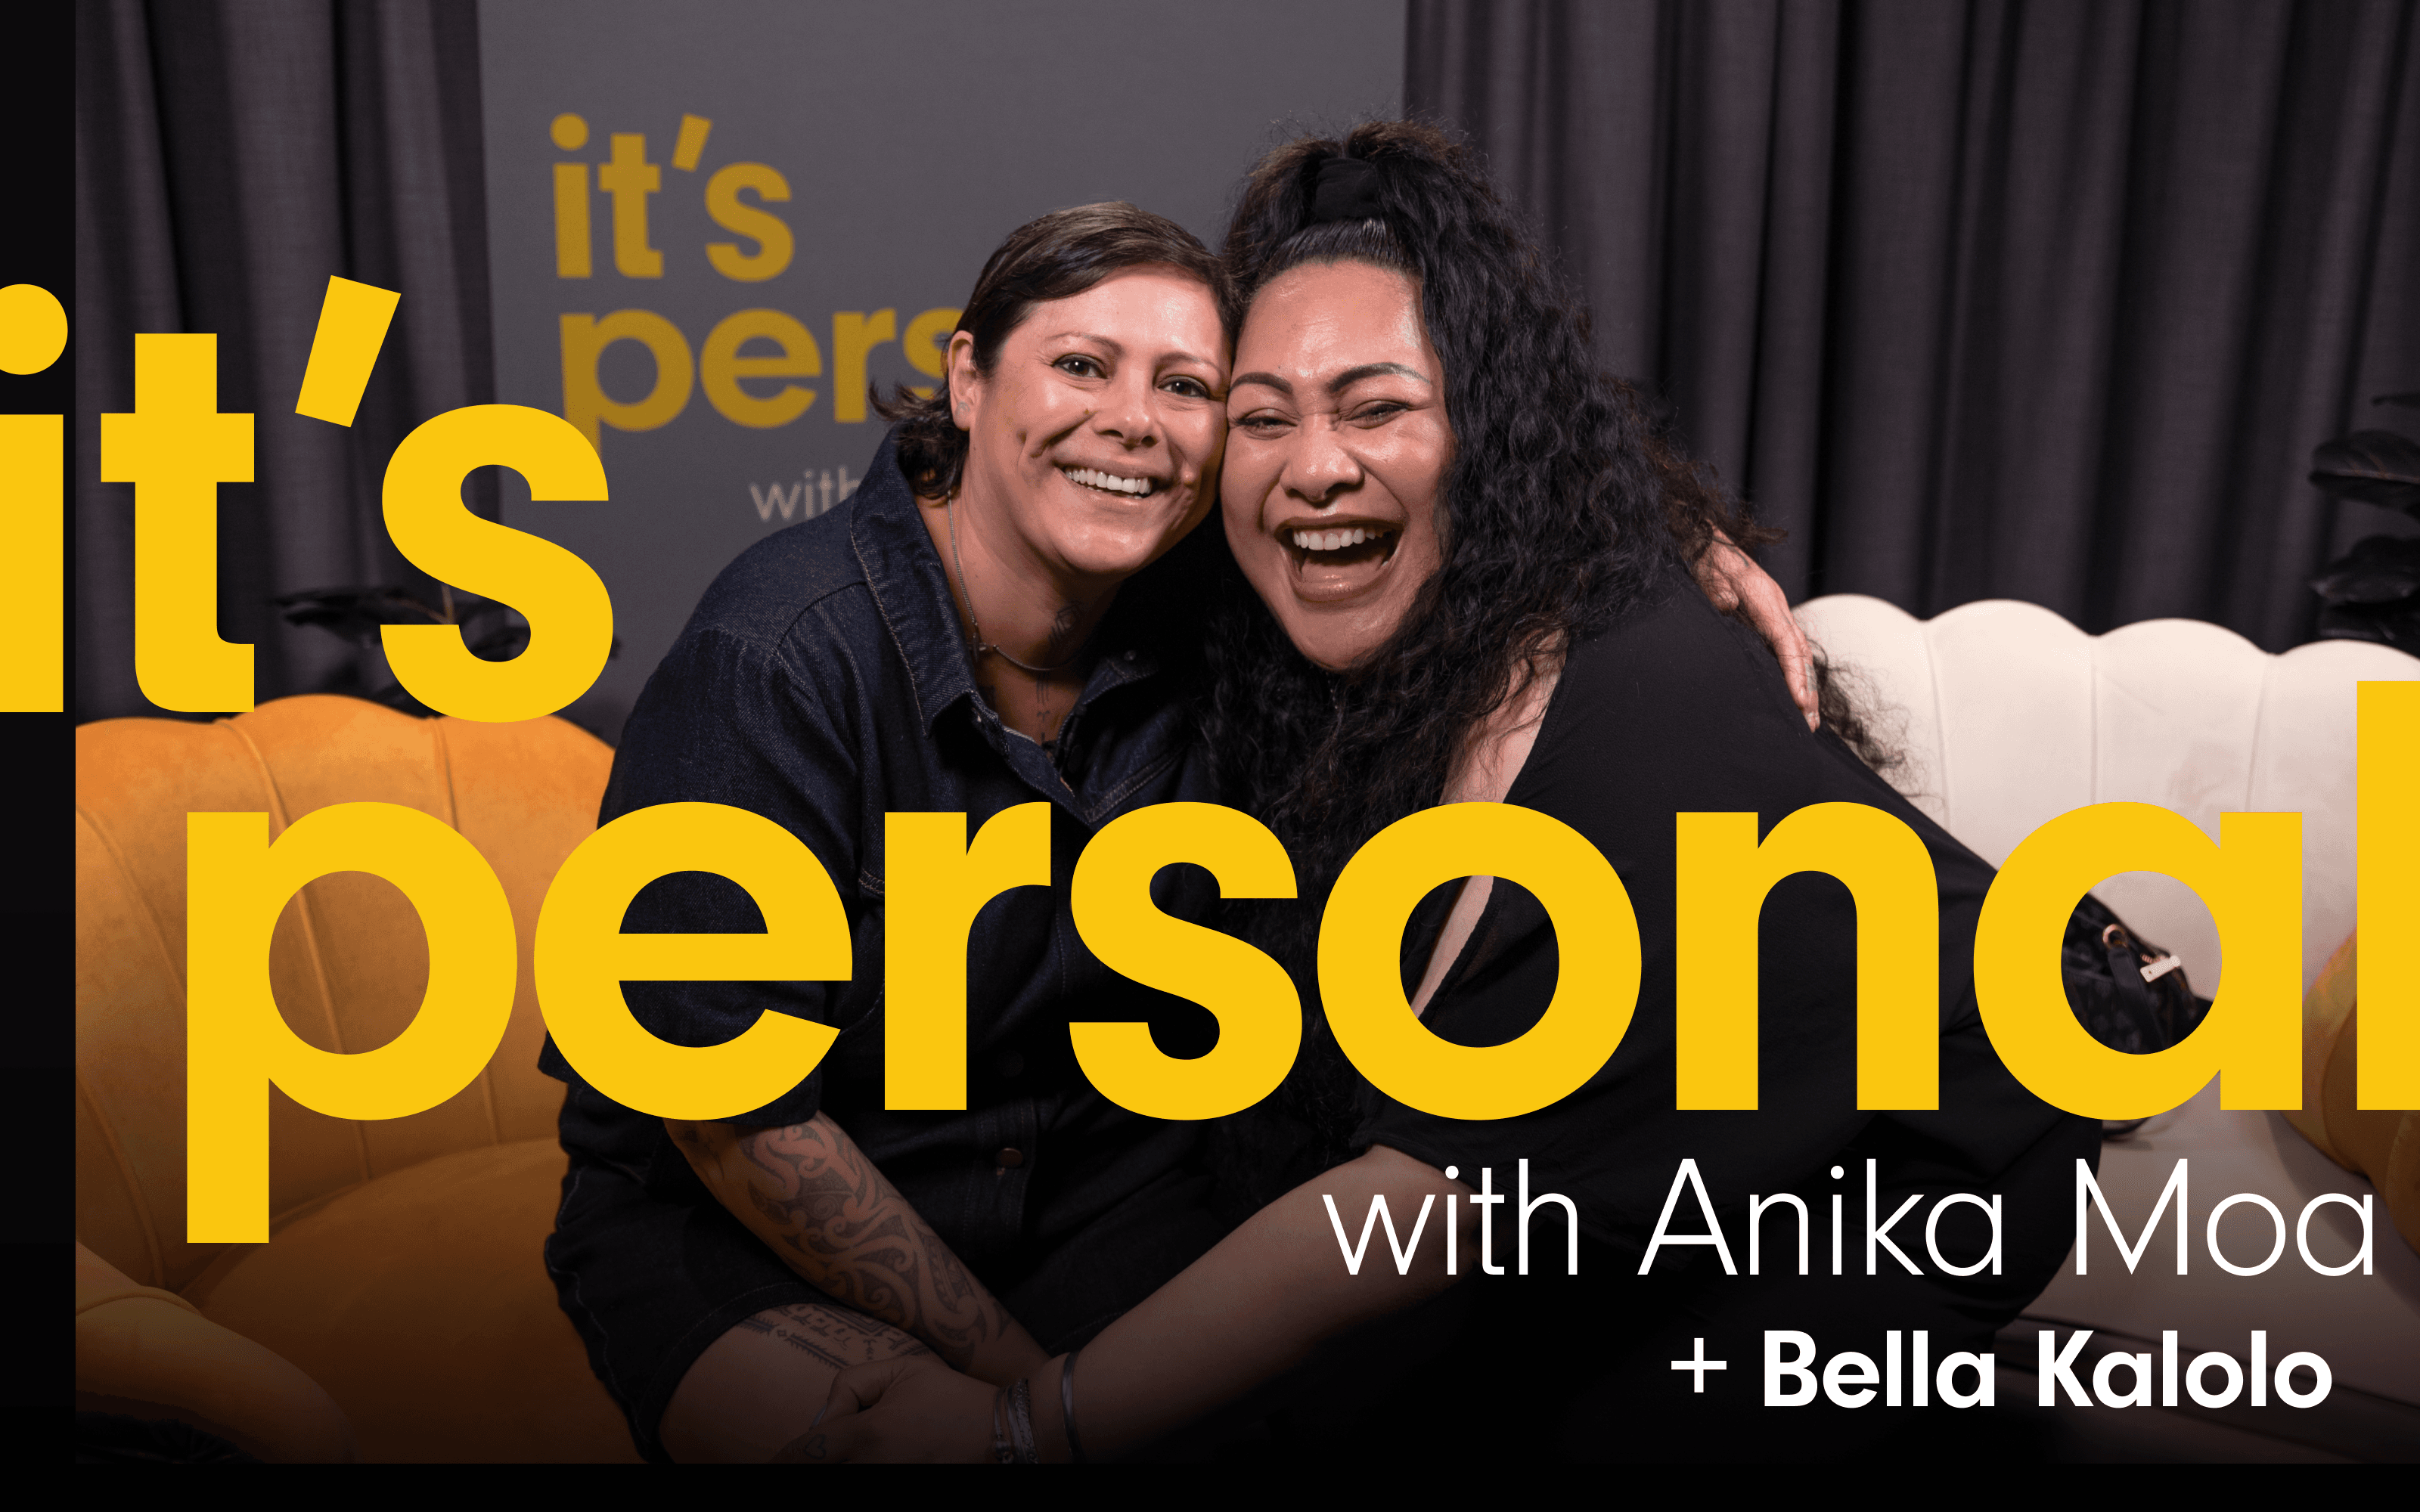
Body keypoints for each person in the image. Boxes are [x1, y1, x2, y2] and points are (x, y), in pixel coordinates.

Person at [811, 122, 2097, 1464]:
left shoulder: (1643, 700)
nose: (1314, 466)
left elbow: (1410, 1212)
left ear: (1490, 436)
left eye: (1377, 408)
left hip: (1899, 1152)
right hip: (1609, 1137)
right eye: (1262, 418)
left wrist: (1026, 1427)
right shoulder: (1313, 606)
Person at [538, 196, 1813, 1462]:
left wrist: (1662, 540)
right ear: (971, 378)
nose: (1133, 423)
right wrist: (1027, 1400)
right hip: (746, 1229)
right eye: (1081, 366)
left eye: (1189, 387)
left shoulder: (1194, 596)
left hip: (1090, 1193)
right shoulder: (776, 651)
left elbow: (1464, 494)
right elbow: (729, 1119)